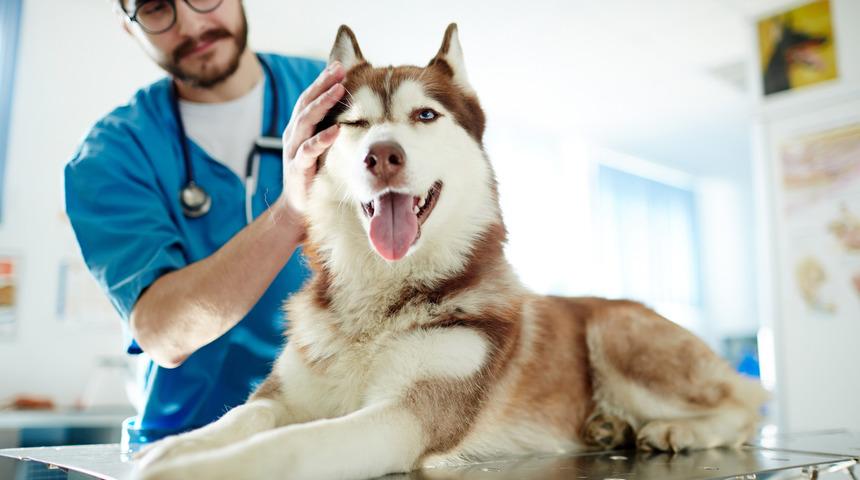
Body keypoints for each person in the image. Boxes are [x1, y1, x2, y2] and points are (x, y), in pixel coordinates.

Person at [64, 0, 345, 449]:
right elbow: (162, 332)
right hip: (190, 447)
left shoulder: (334, 97)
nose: (192, 25)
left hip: (339, 432)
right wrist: (290, 211)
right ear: (128, 26)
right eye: (156, 7)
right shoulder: (113, 154)